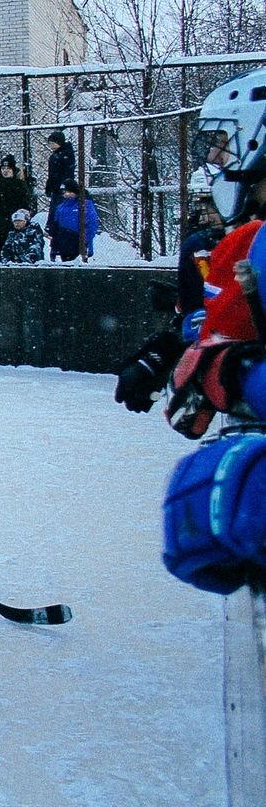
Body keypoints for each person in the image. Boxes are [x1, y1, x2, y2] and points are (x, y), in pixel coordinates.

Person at [157, 71, 266, 595]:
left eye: (226, 145)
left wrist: (234, 373)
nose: (218, 160)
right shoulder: (247, 237)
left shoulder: (254, 240)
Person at [0, 155, 36, 260]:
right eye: (3, 168)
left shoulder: (19, 183)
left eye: (8, 169)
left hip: (14, 217)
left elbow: (25, 201)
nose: (5, 171)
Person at [49, 180, 98, 261]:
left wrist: (85, 240)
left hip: (78, 241)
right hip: (64, 242)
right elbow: (56, 223)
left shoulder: (85, 204)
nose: (65, 194)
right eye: (63, 192)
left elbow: (92, 224)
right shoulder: (61, 206)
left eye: (67, 192)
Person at [43, 130, 76, 232]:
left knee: (59, 209)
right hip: (57, 187)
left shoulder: (64, 155)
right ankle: (54, 227)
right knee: (56, 209)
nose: (51, 145)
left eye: (53, 143)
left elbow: (64, 172)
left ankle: (56, 227)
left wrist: (61, 184)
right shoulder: (58, 155)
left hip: (61, 187)